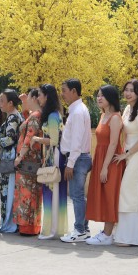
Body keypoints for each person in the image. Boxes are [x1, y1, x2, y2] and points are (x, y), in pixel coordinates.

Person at [112, 79, 138, 247]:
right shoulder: (129, 109)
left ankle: (131, 238)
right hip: (128, 154)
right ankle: (123, 235)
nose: (128, 93)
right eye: (126, 89)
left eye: (132, 90)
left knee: (132, 194)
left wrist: (126, 154)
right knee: (125, 194)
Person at [85, 85, 125, 246]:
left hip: (110, 161)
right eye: (98, 95)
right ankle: (106, 231)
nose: (98, 98)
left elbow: (113, 143)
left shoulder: (115, 117)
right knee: (102, 194)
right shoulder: (103, 116)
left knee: (110, 195)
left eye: (102, 95)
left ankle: (108, 234)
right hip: (101, 158)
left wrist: (104, 167)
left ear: (111, 97)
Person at [31, 84, 68, 240]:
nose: (38, 98)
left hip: (55, 156)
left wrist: (37, 139)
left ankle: (51, 230)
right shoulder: (53, 114)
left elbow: (53, 140)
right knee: (52, 192)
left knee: (52, 192)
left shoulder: (53, 116)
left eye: (39, 95)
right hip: (52, 155)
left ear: (47, 96)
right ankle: (53, 229)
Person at [59, 79, 93, 243]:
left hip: (78, 158)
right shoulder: (76, 110)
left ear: (73, 91)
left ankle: (80, 230)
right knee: (78, 195)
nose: (62, 94)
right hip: (78, 157)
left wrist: (70, 164)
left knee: (77, 195)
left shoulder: (78, 111)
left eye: (64, 91)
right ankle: (83, 229)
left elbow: (77, 141)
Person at [13, 88, 44, 236]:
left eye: (29, 98)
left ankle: (27, 226)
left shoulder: (34, 117)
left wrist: (20, 156)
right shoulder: (36, 115)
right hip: (33, 159)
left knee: (26, 193)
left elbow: (29, 137)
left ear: (35, 99)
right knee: (32, 192)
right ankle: (32, 226)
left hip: (27, 159)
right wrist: (24, 101)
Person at [0, 89, 24, 233]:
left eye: (2, 101)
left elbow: (10, 139)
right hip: (8, 160)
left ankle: (9, 224)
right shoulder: (12, 116)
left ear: (10, 103)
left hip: (9, 160)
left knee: (8, 192)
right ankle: (9, 223)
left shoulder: (13, 118)